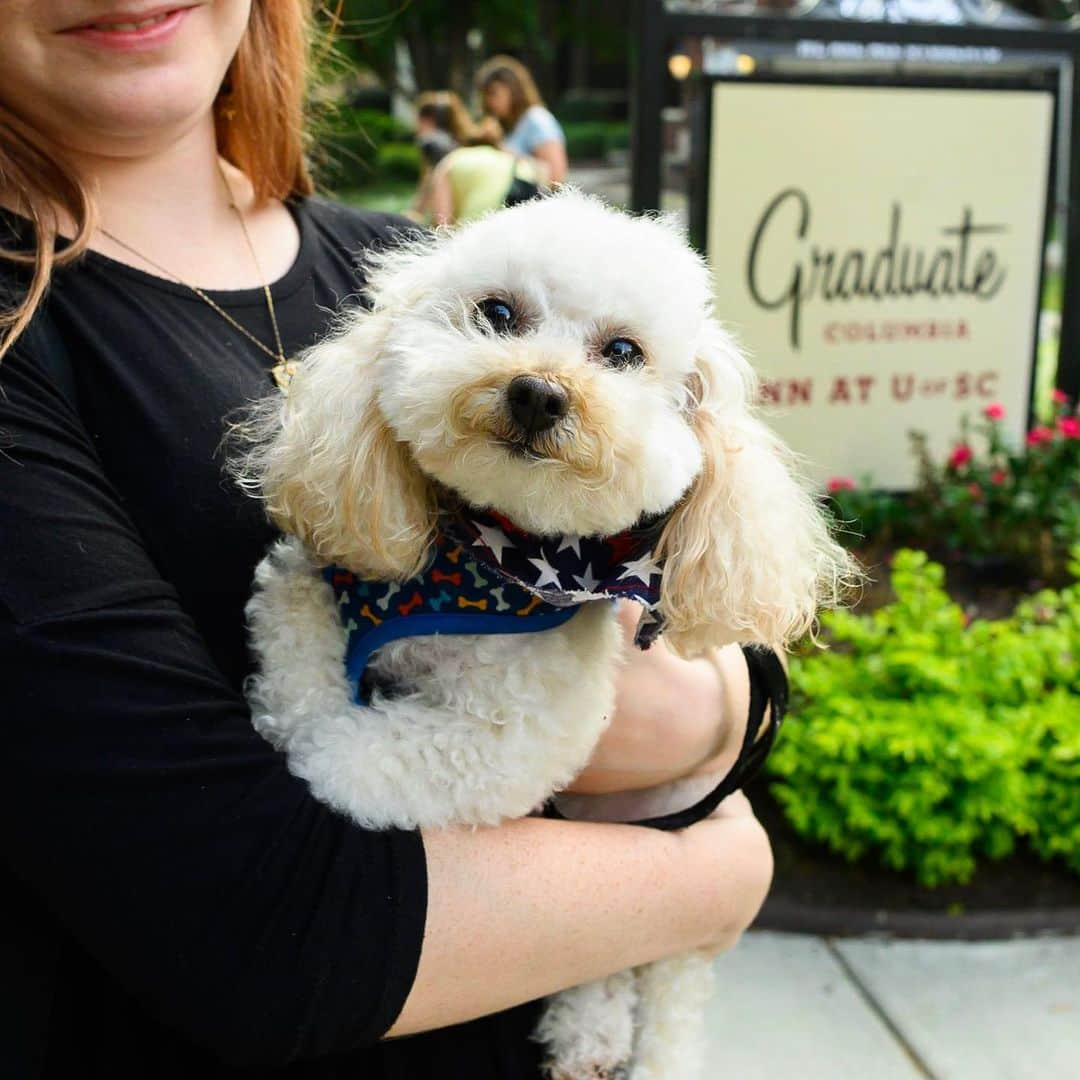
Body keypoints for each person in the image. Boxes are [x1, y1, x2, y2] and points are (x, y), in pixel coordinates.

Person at [0, 3, 774, 1078]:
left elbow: (723, 661)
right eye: (506, 325)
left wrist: (718, 712)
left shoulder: (416, 261)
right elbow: (262, 932)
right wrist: (714, 880)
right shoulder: (29, 337)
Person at [411, 90, 547, 226]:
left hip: (488, 214)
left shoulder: (442, 161)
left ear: (426, 121)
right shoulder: (481, 147)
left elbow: (442, 225)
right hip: (528, 190)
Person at [476, 55, 569, 185]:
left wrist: (501, 150)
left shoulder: (537, 119)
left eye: (493, 93)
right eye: (485, 95)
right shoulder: (504, 124)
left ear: (513, 90)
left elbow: (556, 178)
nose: (489, 101)